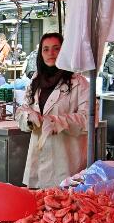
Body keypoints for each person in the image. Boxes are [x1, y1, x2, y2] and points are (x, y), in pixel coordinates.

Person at [15, 32, 89, 189]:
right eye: (46, 49)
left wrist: (57, 122)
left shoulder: (79, 83)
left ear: (64, 51)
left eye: (56, 48)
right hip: (38, 161)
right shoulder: (35, 81)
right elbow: (22, 109)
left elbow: (88, 119)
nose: (51, 54)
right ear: (40, 53)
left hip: (66, 165)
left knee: (63, 207)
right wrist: (28, 117)